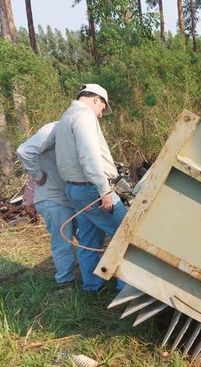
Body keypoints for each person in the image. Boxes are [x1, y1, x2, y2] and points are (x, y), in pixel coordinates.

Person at [54, 83, 127, 292]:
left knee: (88, 238)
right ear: (96, 99)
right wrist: (104, 190)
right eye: (102, 108)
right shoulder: (85, 117)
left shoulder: (65, 117)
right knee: (125, 234)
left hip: (75, 189)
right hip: (92, 189)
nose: (101, 115)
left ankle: (92, 287)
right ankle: (126, 288)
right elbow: (90, 157)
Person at [16, 122, 78, 286]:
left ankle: (85, 273)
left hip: (67, 197)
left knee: (84, 235)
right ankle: (64, 282)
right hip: (53, 197)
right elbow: (24, 151)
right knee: (62, 241)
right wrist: (37, 175)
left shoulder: (73, 130)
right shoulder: (53, 129)